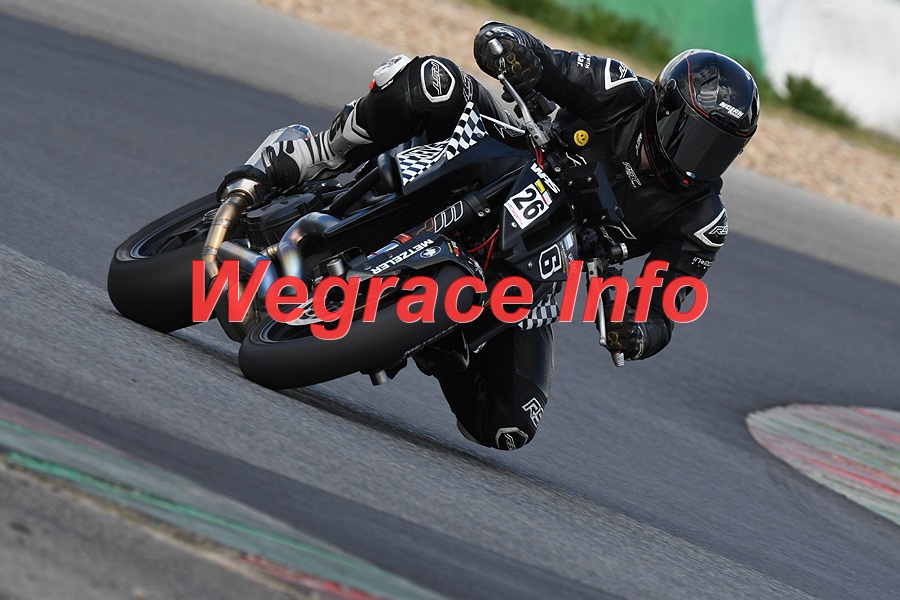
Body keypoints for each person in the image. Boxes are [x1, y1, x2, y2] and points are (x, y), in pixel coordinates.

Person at [218, 22, 760, 451]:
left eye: (721, 149)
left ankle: (431, 339)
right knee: (433, 82)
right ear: (665, 109)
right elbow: (534, 55)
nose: (701, 160)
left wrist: (634, 332)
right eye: (696, 137)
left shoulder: (702, 219)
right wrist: (512, 51)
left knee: (508, 422)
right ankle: (316, 153)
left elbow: (662, 307)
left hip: (545, 261)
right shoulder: (618, 90)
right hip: (509, 155)